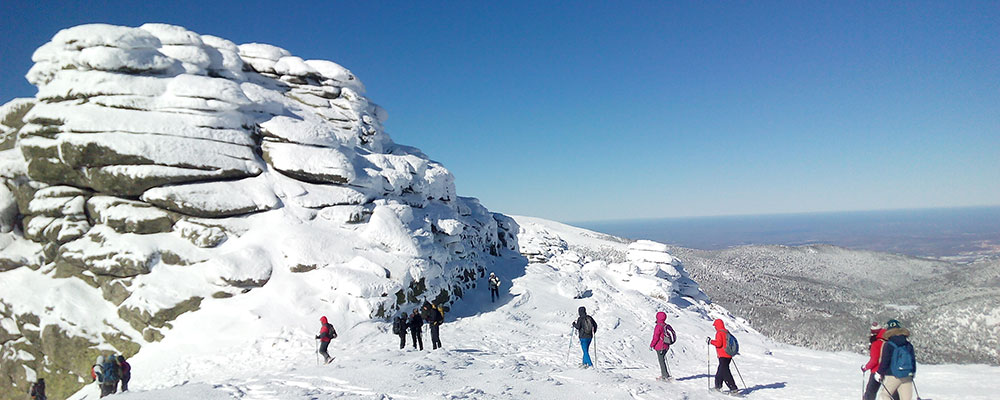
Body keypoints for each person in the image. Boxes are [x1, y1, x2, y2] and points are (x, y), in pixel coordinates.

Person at [878, 319, 916, 400]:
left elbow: (885, 361)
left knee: (885, 395)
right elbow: (912, 360)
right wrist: (912, 373)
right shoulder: (908, 344)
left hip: (893, 375)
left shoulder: (889, 344)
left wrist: (879, 373)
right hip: (907, 374)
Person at [862, 322, 899, 400]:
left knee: (870, 392)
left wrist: (865, 367)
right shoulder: (889, 341)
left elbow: (874, 360)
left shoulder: (876, 343)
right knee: (892, 392)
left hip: (877, 371)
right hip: (890, 370)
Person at [707, 319, 739, 393]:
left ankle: (733, 388)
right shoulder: (726, 332)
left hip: (723, 355)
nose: (715, 327)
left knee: (725, 372)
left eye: (715, 326)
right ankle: (718, 386)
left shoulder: (719, 333)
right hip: (728, 355)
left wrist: (710, 341)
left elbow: (719, 344)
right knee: (720, 371)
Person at [649, 311, 676, 380]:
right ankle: (665, 374)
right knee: (663, 360)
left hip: (660, 347)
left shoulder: (658, 326)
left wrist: (652, 345)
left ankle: (664, 376)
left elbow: (656, 337)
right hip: (666, 346)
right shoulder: (665, 325)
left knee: (661, 361)